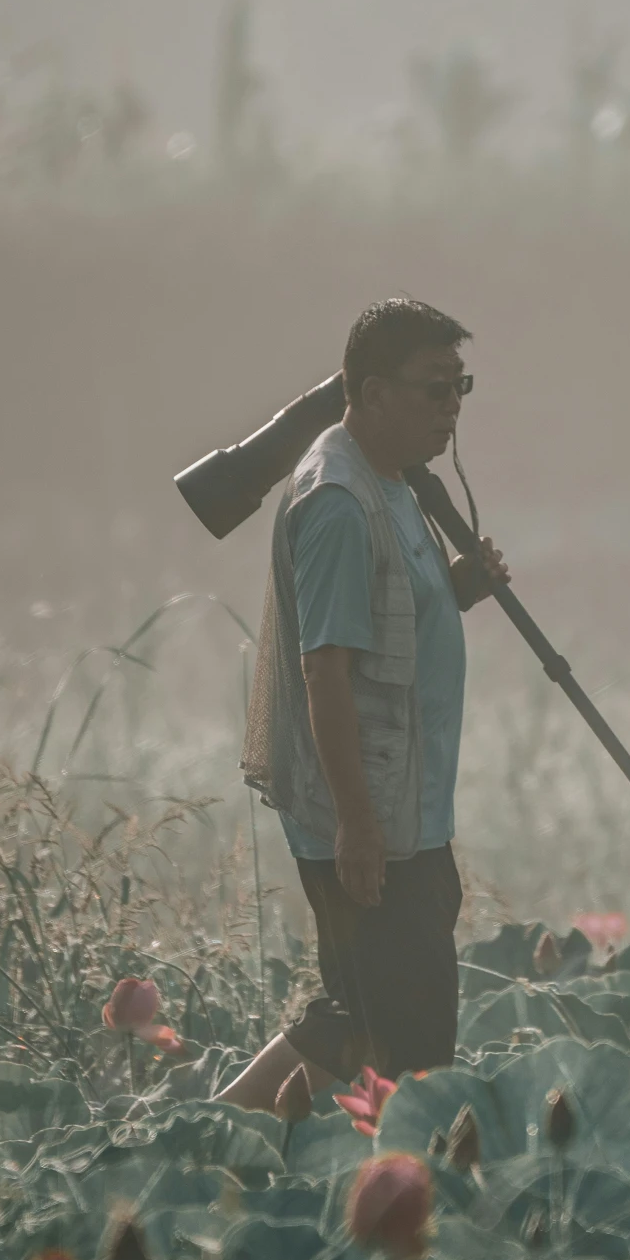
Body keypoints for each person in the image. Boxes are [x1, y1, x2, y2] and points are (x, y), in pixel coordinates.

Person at [220, 298, 508, 1111]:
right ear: (373, 393)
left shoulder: (391, 478)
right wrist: (356, 823)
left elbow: (387, 626)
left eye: (461, 388)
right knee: (412, 1048)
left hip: (403, 802)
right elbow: (327, 672)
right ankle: (393, 1190)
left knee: (349, 1014)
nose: (450, 409)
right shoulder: (339, 504)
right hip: (375, 813)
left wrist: (459, 587)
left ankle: (215, 1137)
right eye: (432, 390)